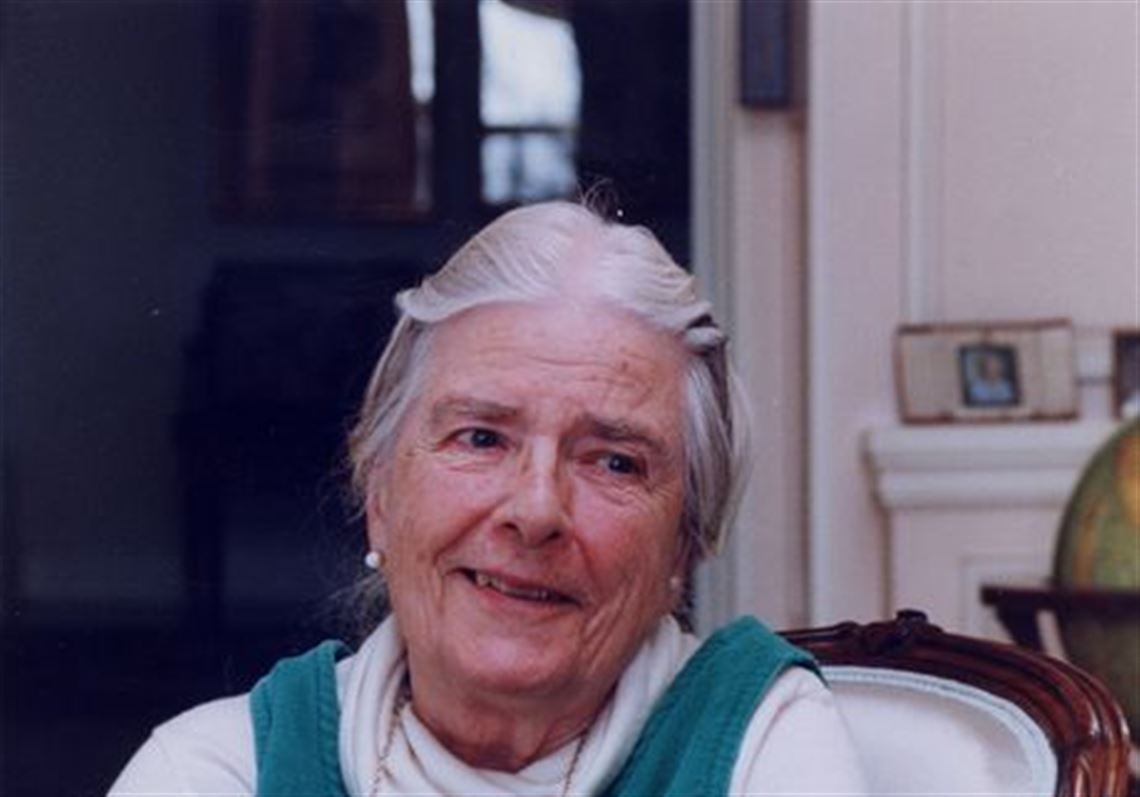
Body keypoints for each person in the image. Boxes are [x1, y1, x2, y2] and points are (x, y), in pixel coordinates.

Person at [110, 201, 867, 796]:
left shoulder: (759, 747)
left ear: (684, 545)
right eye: (480, 438)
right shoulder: (217, 771)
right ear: (380, 494)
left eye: (613, 461)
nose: (535, 511)